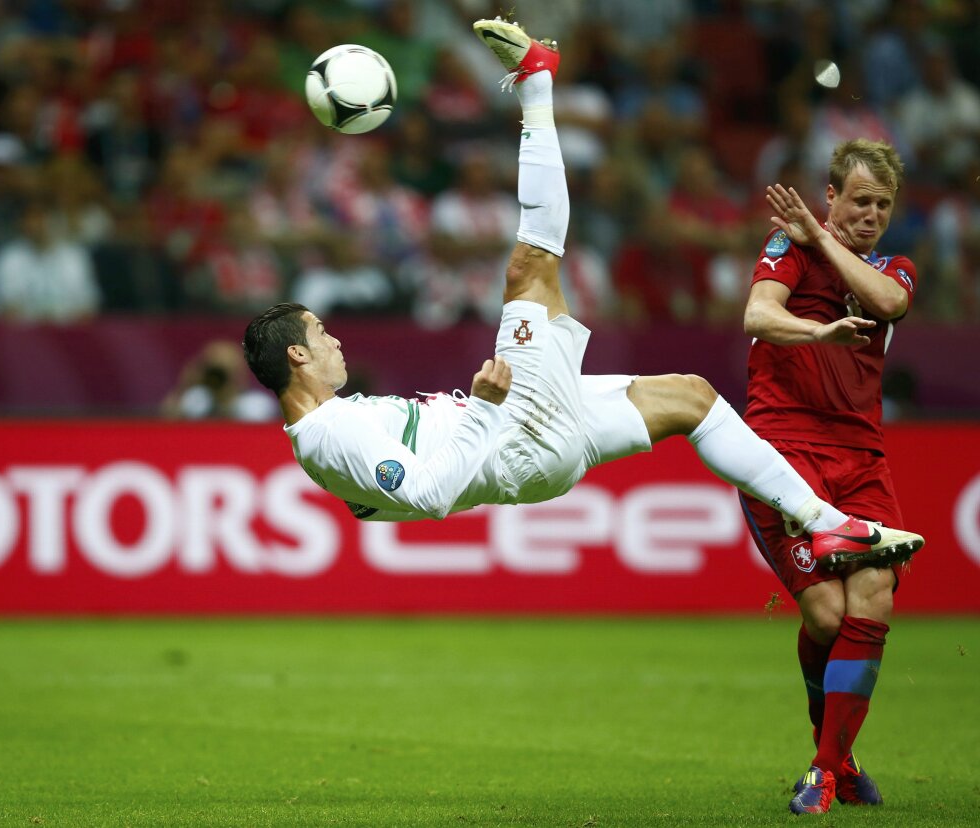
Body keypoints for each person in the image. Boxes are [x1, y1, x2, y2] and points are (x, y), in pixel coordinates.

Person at [242, 18, 922, 586]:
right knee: (530, 266)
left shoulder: (330, 437)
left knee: (691, 397)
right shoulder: (327, 435)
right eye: (321, 333)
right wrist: (483, 410)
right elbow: (428, 496)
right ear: (297, 356)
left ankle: (832, 525)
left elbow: (389, 504)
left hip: (528, 446)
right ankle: (536, 82)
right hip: (514, 433)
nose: (335, 340)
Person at [741, 139, 921, 814]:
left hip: (861, 459)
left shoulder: (895, 269)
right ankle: (839, 761)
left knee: (874, 597)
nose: (871, 214)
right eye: (860, 201)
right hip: (783, 451)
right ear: (832, 196)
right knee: (827, 614)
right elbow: (758, 315)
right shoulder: (786, 249)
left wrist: (820, 235)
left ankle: (824, 771)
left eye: (883, 205)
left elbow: (888, 302)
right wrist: (818, 333)